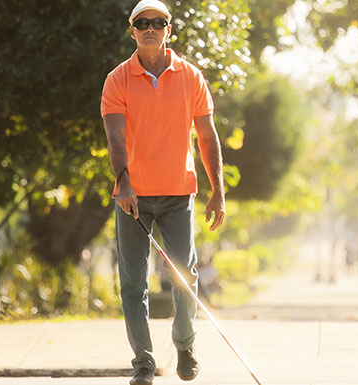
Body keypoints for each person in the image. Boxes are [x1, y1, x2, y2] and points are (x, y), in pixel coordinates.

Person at [100, 1, 226, 384]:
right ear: (132, 31)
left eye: (158, 22)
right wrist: (123, 183)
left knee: (184, 273)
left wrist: (218, 190)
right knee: (133, 282)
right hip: (132, 197)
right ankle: (143, 364)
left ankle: (185, 344)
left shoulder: (191, 76)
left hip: (178, 193)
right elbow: (115, 137)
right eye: (142, 24)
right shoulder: (117, 79)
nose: (150, 28)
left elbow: (207, 137)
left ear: (169, 29)